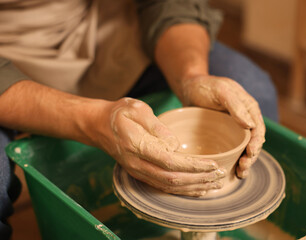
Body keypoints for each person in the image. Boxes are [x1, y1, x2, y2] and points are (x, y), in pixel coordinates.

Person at [0, 0, 278, 238]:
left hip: (111, 27)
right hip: (11, 55)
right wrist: (93, 121)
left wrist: (192, 76)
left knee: (254, 90)